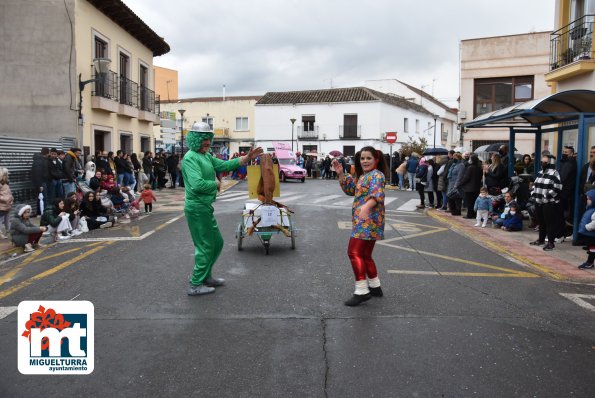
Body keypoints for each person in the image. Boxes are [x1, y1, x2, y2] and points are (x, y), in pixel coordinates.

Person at [183, 122, 263, 296]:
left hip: (204, 207)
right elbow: (196, 185)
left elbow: (224, 165)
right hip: (196, 208)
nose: (207, 142)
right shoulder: (190, 157)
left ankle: (206, 276)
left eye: (208, 139)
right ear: (195, 139)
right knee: (205, 246)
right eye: (203, 139)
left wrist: (245, 158)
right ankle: (196, 283)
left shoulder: (205, 156)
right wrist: (216, 183)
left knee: (217, 243)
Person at [332, 146, 388, 306]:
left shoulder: (376, 175)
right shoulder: (364, 176)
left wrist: (366, 207)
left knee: (353, 252)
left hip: (367, 221)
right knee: (365, 255)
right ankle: (375, 287)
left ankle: (362, 290)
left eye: (368, 158)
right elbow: (351, 190)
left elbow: (377, 194)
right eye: (362, 158)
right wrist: (341, 173)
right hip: (367, 221)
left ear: (376, 160)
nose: (364, 161)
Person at [529, 154, 563, 251]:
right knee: (541, 222)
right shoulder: (540, 172)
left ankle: (551, 243)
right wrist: (533, 193)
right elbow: (535, 185)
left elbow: (557, 187)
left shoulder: (555, 173)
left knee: (550, 223)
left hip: (549, 203)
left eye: (545, 162)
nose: (542, 164)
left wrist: (546, 196)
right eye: (541, 162)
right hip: (539, 202)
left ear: (550, 163)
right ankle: (541, 240)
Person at [458, 154, 483, 219]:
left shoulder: (470, 168)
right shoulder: (479, 168)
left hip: (469, 188)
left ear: (472, 160)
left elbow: (466, 178)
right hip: (477, 188)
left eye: (470, 159)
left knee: (469, 202)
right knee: (475, 202)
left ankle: (469, 215)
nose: (469, 160)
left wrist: (460, 183)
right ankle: (474, 215)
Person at [577, 190, 595, 269]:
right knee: (591, 248)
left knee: (592, 249)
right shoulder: (590, 209)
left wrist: (587, 227)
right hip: (589, 234)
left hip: (592, 234)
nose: (587, 200)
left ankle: (589, 262)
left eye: (589, 199)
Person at [0, 168, 14, 239]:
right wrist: (5, 199)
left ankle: (9, 230)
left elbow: (8, 193)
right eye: (6, 175)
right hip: (2, 205)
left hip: (8, 205)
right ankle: (0, 233)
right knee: (1, 219)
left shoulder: (6, 183)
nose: (8, 176)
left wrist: (11, 199)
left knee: (7, 219)